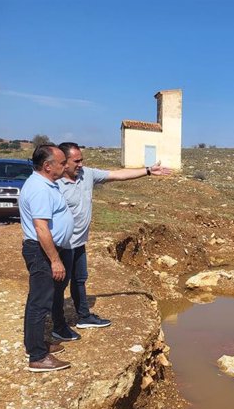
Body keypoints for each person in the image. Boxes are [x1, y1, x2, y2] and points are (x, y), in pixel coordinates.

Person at [51, 142, 171, 339]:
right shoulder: (54, 184)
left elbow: (117, 175)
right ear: (63, 163)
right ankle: (58, 326)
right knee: (59, 286)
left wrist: (148, 171)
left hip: (79, 242)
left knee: (80, 280)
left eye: (82, 160)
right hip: (62, 244)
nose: (81, 164)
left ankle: (83, 316)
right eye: (76, 161)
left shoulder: (86, 174)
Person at [20, 144, 74, 372]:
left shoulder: (46, 184)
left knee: (41, 299)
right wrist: (55, 259)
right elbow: (41, 228)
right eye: (62, 163)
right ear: (47, 166)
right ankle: (37, 356)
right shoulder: (40, 189)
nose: (65, 166)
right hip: (41, 252)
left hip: (45, 250)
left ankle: (37, 344)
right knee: (39, 303)